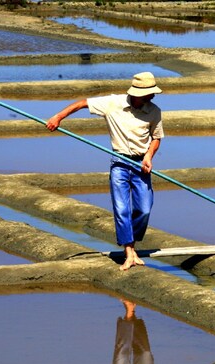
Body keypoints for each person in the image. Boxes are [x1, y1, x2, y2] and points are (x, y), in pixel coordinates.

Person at [46, 72, 164, 271]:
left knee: (144, 208)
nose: (152, 96)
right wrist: (58, 117)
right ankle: (129, 252)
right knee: (122, 209)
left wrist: (149, 156)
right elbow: (82, 103)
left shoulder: (154, 111)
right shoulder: (112, 103)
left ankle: (132, 246)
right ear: (137, 93)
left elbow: (156, 138)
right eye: (149, 94)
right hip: (119, 162)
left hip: (141, 163)